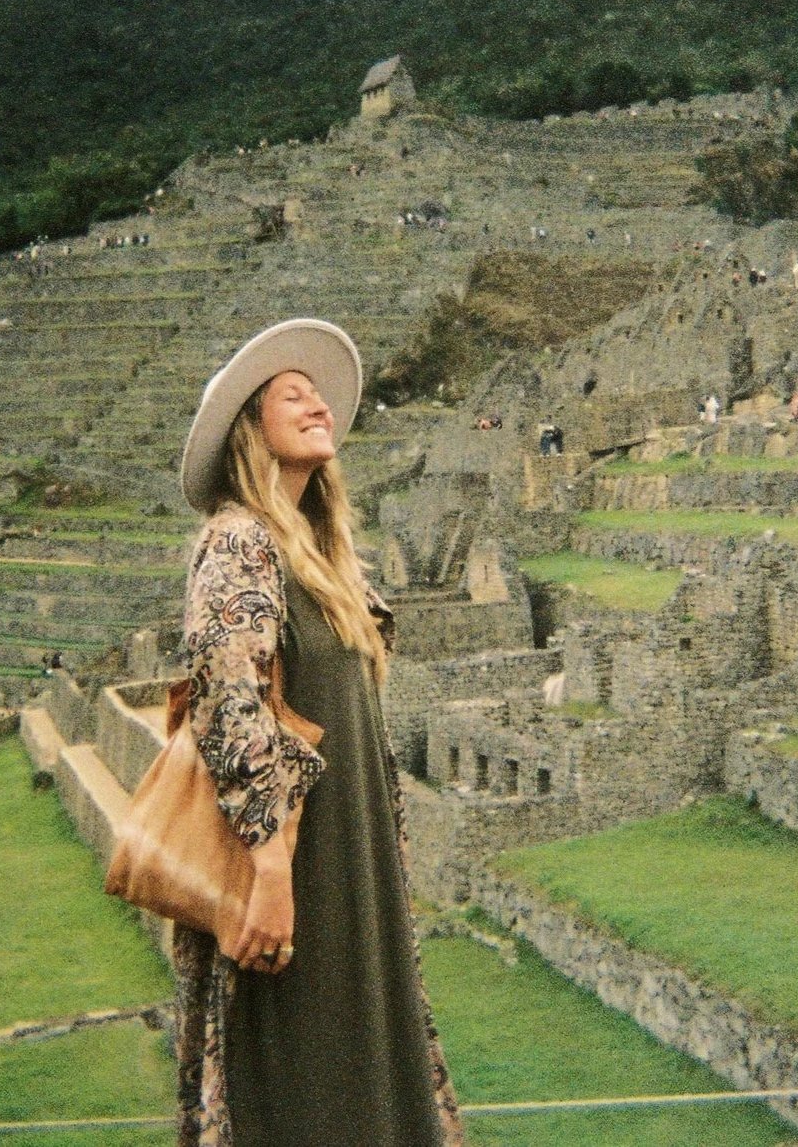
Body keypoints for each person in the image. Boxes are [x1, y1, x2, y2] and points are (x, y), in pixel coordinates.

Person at [173, 319, 464, 1147]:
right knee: (303, 1072)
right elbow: (228, 707)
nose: (314, 405)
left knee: (366, 1061)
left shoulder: (322, 558)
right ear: (249, 433)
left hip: (350, 854)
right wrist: (269, 870)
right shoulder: (238, 542)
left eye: (318, 395)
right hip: (296, 867)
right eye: (289, 396)